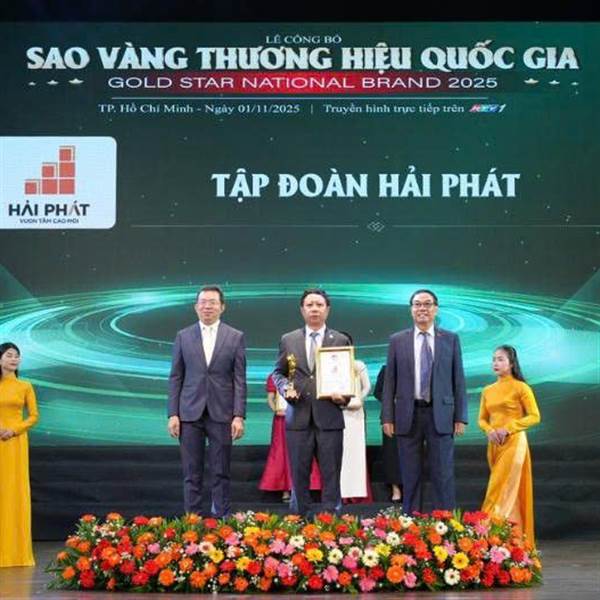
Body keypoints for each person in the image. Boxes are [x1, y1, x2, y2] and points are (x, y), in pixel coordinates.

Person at [381, 289, 468, 514]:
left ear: (436, 309)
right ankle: (412, 522)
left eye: (427, 304)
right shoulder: (397, 340)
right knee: (410, 475)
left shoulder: (450, 339)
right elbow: (390, 381)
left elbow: (458, 378)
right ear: (411, 310)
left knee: (443, 474)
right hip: (407, 415)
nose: (422, 308)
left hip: (441, 415)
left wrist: (460, 416)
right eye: (417, 304)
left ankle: (445, 522)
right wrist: (387, 417)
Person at [168, 286, 247, 517]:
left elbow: (239, 379)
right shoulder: (183, 336)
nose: (207, 306)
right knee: (191, 472)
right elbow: (176, 376)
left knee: (221, 471)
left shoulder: (235, 336)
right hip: (189, 412)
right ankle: (192, 521)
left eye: (212, 302)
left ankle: (221, 520)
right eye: (203, 302)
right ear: (196, 307)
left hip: (222, 412)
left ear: (222, 307)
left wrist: (238, 415)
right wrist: (173, 414)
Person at [272, 288, 350, 516]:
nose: (314, 309)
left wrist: (344, 396)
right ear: (302, 310)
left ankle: (331, 522)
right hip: (298, 417)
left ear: (328, 309)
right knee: (299, 474)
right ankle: (299, 520)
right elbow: (278, 373)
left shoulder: (340, 339)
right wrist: (285, 388)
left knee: (331, 474)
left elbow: (346, 377)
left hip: (330, 417)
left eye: (319, 305)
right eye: (310, 305)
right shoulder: (288, 339)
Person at [479, 345, 541, 545]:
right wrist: (489, 430)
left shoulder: (521, 387)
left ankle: (487, 537)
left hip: (514, 443)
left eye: (500, 359)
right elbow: (482, 419)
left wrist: (509, 428)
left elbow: (534, 416)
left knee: (498, 490)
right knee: (505, 491)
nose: (495, 363)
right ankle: (511, 543)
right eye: (494, 359)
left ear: (512, 363)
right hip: (494, 445)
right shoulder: (488, 390)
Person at [0, 342, 39, 567]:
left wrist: (14, 430)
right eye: (9, 355)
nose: (14, 359)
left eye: (17, 356)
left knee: (14, 491)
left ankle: (16, 553)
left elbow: (33, 416)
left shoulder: (25, 386)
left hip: (15, 442)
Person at [258, 373, 322, 501]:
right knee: (282, 452)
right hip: (281, 421)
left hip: (300, 419)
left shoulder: (303, 375)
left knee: (302, 451)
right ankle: (285, 489)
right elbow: (270, 398)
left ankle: (302, 488)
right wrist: (276, 410)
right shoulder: (274, 376)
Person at [339, 335, 372, 503]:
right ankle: (340, 493)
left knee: (354, 452)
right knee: (338, 453)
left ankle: (356, 492)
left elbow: (367, 387)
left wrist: (358, 399)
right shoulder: (329, 365)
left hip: (354, 414)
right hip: (336, 413)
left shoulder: (358, 365)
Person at [373, 365, 402, 503]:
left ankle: (409, 487)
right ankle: (395, 488)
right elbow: (377, 392)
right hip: (390, 418)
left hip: (411, 418)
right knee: (391, 454)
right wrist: (390, 400)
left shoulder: (414, 368)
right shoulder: (386, 369)